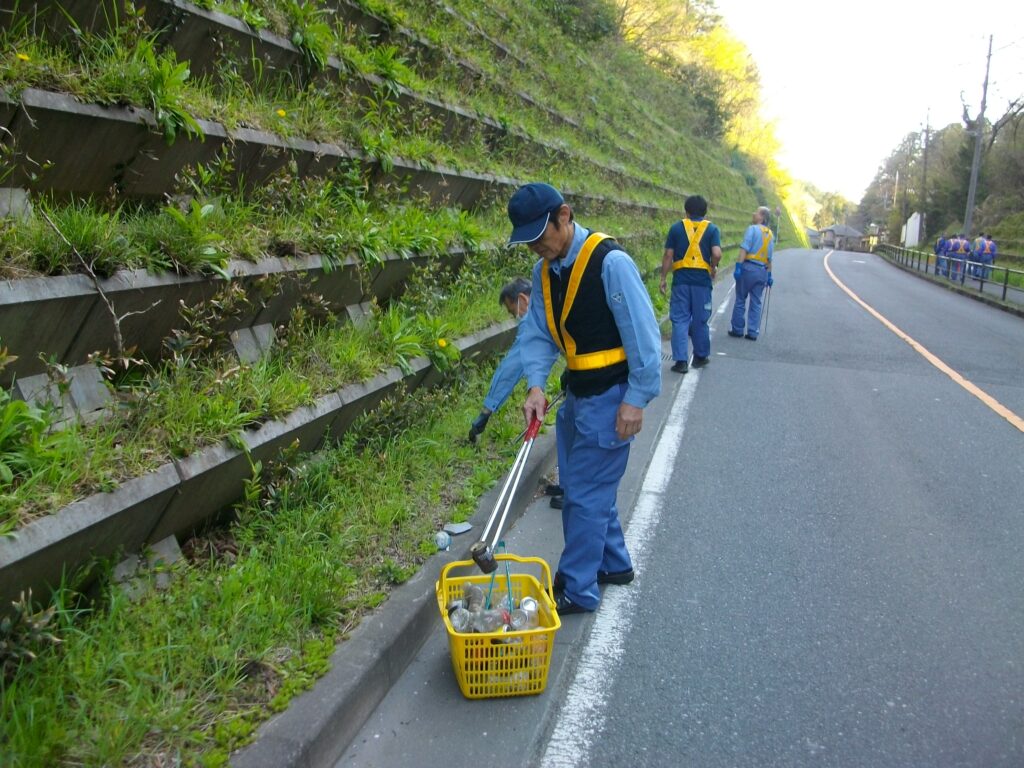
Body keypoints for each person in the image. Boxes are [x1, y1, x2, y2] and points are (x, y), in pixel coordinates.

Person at [508, 182, 662, 615]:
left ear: (565, 215)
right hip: (577, 397)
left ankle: (577, 588)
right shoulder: (545, 272)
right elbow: (537, 334)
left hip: (612, 399)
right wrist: (536, 385)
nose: (538, 246)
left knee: (584, 497)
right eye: (529, 241)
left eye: (542, 235)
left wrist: (637, 399)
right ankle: (614, 564)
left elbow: (644, 336)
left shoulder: (611, 263)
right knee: (584, 489)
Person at [467, 277, 566, 508]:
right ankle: (569, 486)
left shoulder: (533, 316)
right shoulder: (553, 298)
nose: (517, 318)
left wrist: (486, 411)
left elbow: (511, 368)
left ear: (522, 299)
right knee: (567, 422)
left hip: (596, 375)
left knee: (575, 426)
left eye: (515, 312)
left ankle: (576, 494)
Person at [660, 195, 722, 373]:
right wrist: (713, 267)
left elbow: (668, 255)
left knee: (680, 319)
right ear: (705, 212)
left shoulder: (676, 228)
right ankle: (700, 357)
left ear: (686, 211)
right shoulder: (712, 229)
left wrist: (663, 278)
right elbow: (716, 253)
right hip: (702, 282)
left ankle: (680, 362)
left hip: (681, 281)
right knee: (700, 319)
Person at [727, 206, 775, 341]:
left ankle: (737, 329)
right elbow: (769, 258)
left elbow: (744, 249)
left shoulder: (752, 229)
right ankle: (753, 331)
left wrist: (738, 267)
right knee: (756, 302)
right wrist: (770, 276)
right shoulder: (771, 235)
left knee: (740, 299)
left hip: (748, 268)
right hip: (762, 272)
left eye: (757, 212)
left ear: (762, 217)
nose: (754, 214)